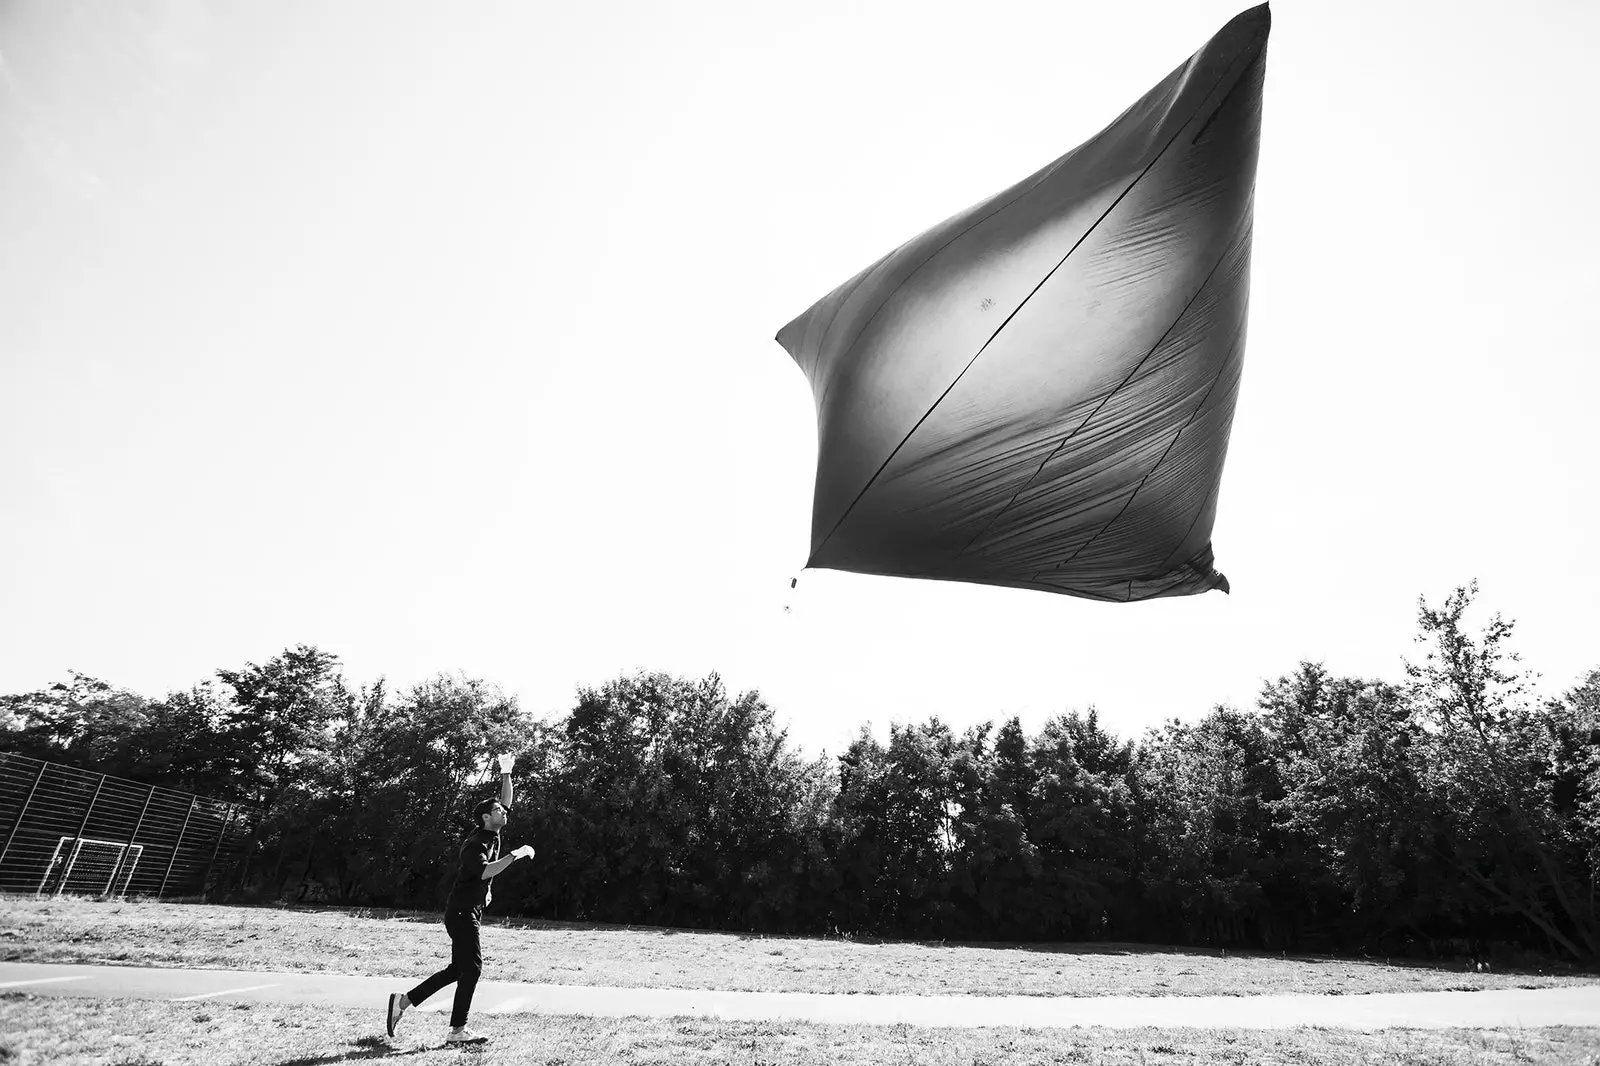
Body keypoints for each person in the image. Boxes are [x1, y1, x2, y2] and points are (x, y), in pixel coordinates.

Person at [386, 753, 534, 1045]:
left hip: (470, 910)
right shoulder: (475, 844)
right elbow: (483, 871)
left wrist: (506, 771)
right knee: (473, 968)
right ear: (485, 818)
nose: (505, 813)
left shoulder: (491, 832)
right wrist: (515, 855)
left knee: (458, 969)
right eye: (498, 811)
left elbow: (506, 800)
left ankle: (403, 1002)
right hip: (462, 912)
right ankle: (457, 1031)